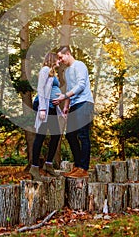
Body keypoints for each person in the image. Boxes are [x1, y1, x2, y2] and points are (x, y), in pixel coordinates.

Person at [52, 45, 94, 178]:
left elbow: (81, 85)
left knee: (83, 135)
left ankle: (83, 168)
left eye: (61, 57)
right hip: (74, 104)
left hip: (85, 103)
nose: (60, 60)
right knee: (70, 135)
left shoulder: (80, 65)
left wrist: (64, 96)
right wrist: (66, 106)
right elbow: (70, 88)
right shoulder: (67, 71)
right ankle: (77, 166)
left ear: (68, 53)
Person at [29, 52, 62, 181]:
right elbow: (41, 89)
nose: (59, 61)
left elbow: (53, 91)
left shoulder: (53, 73)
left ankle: (48, 164)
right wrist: (42, 108)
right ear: (52, 59)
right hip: (44, 107)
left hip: (52, 108)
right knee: (40, 135)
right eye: (57, 59)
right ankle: (34, 167)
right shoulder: (45, 70)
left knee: (56, 135)